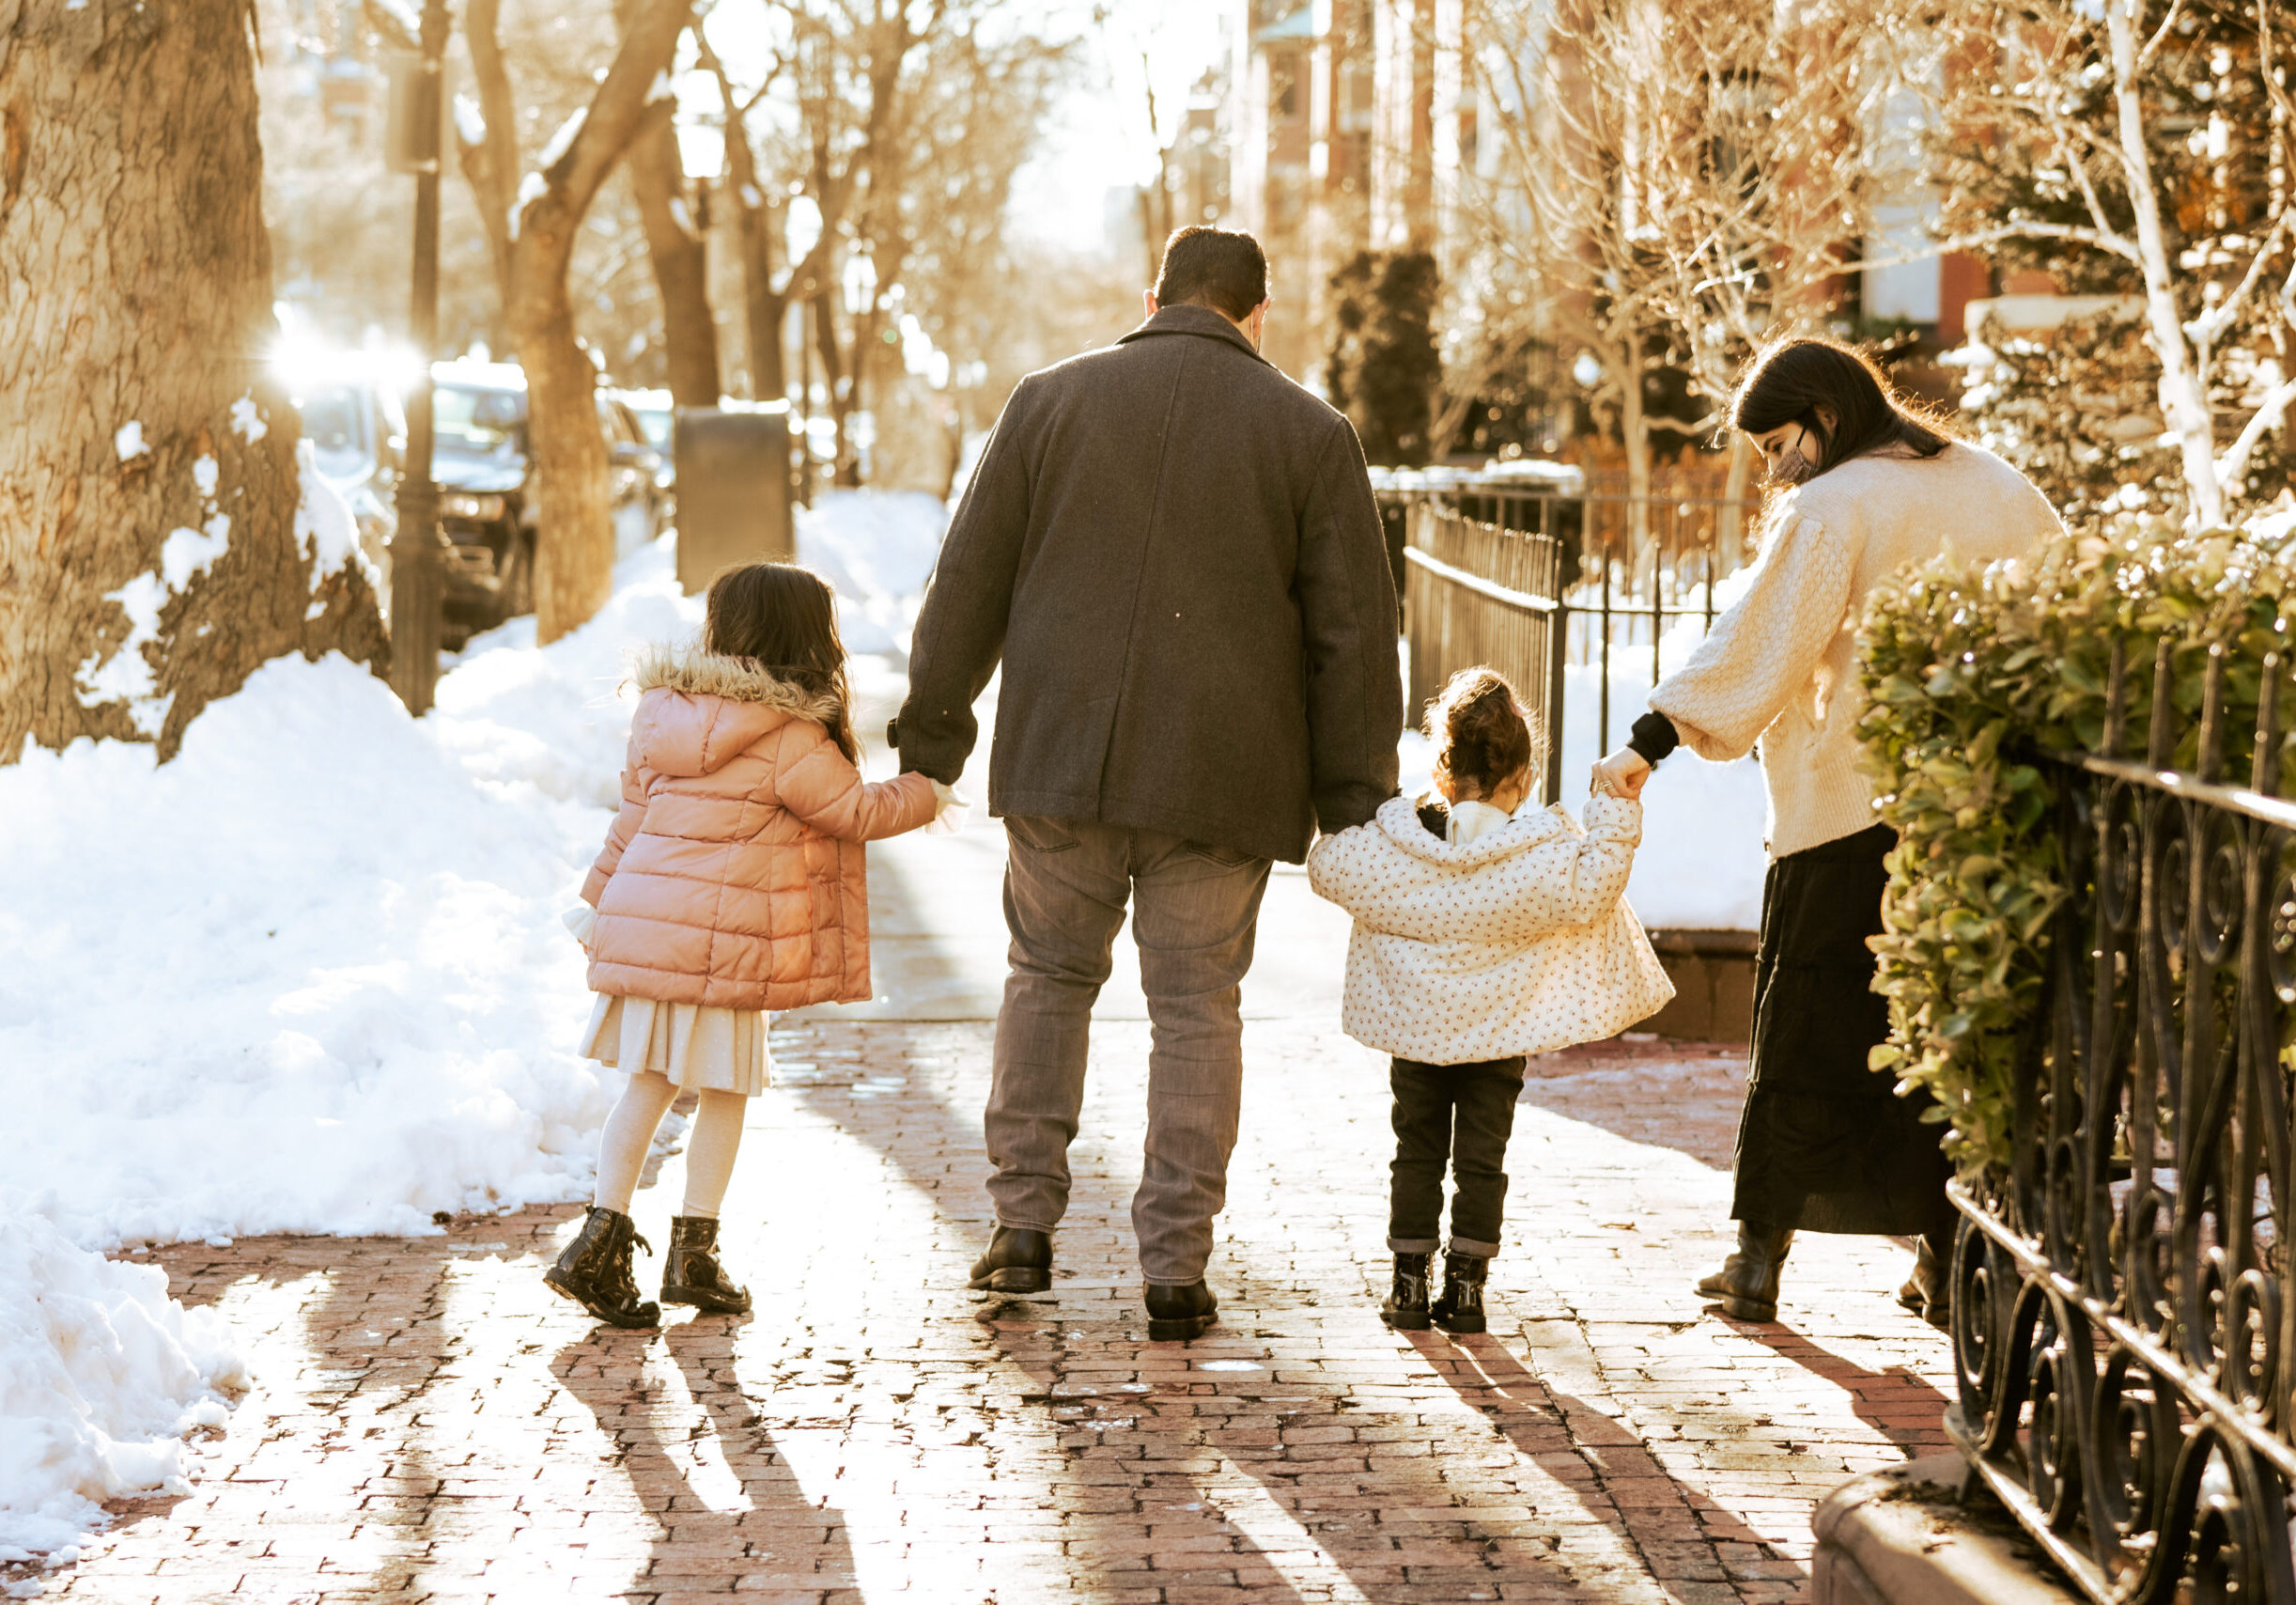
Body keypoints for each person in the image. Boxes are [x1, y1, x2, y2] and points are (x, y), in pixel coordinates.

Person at [892, 226, 1404, 1342]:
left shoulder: (1047, 399)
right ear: (1257, 315)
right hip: (1221, 779)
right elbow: (1352, 635)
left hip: (1061, 761)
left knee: (1045, 977)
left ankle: (1020, 1230)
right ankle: (1175, 1265)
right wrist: (1353, 801)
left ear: (1151, 296)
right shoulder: (1311, 434)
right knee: (1195, 1012)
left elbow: (966, 576)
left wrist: (933, 734)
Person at [1591, 338, 2064, 1328]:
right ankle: (1946, 1259)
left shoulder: (1830, 505)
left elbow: (1757, 643)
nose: (1774, 468)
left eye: (1776, 443)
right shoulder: (1998, 485)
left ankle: (1757, 1260)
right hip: (1981, 812)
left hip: (1850, 810)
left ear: (1824, 411)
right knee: (1942, 1039)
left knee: (1805, 1032)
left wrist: (1650, 740)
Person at [546, 563, 955, 1329]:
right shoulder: (789, 734)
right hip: (722, 941)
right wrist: (932, 791)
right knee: (725, 1090)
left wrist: (598, 900)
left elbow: (632, 819)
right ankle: (691, 1255)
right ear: (808, 640)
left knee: (650, 1083)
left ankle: (599, 1238)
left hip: (651, 921)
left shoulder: (664, 714)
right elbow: (855, 813)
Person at [1309, 668, 1670, 1334]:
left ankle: (1408, 1286)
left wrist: (1370, 808)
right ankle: (1467, 1290)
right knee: (1483, 1159)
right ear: (1526, 777)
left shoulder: (1395, 854)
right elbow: (1597, 884)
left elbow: (1328, 865)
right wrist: (1614, 803)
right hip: (1499, 1038)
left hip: (1417, 1036)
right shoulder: (1538, 861)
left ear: (1443, 772)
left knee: (1415, 1150)